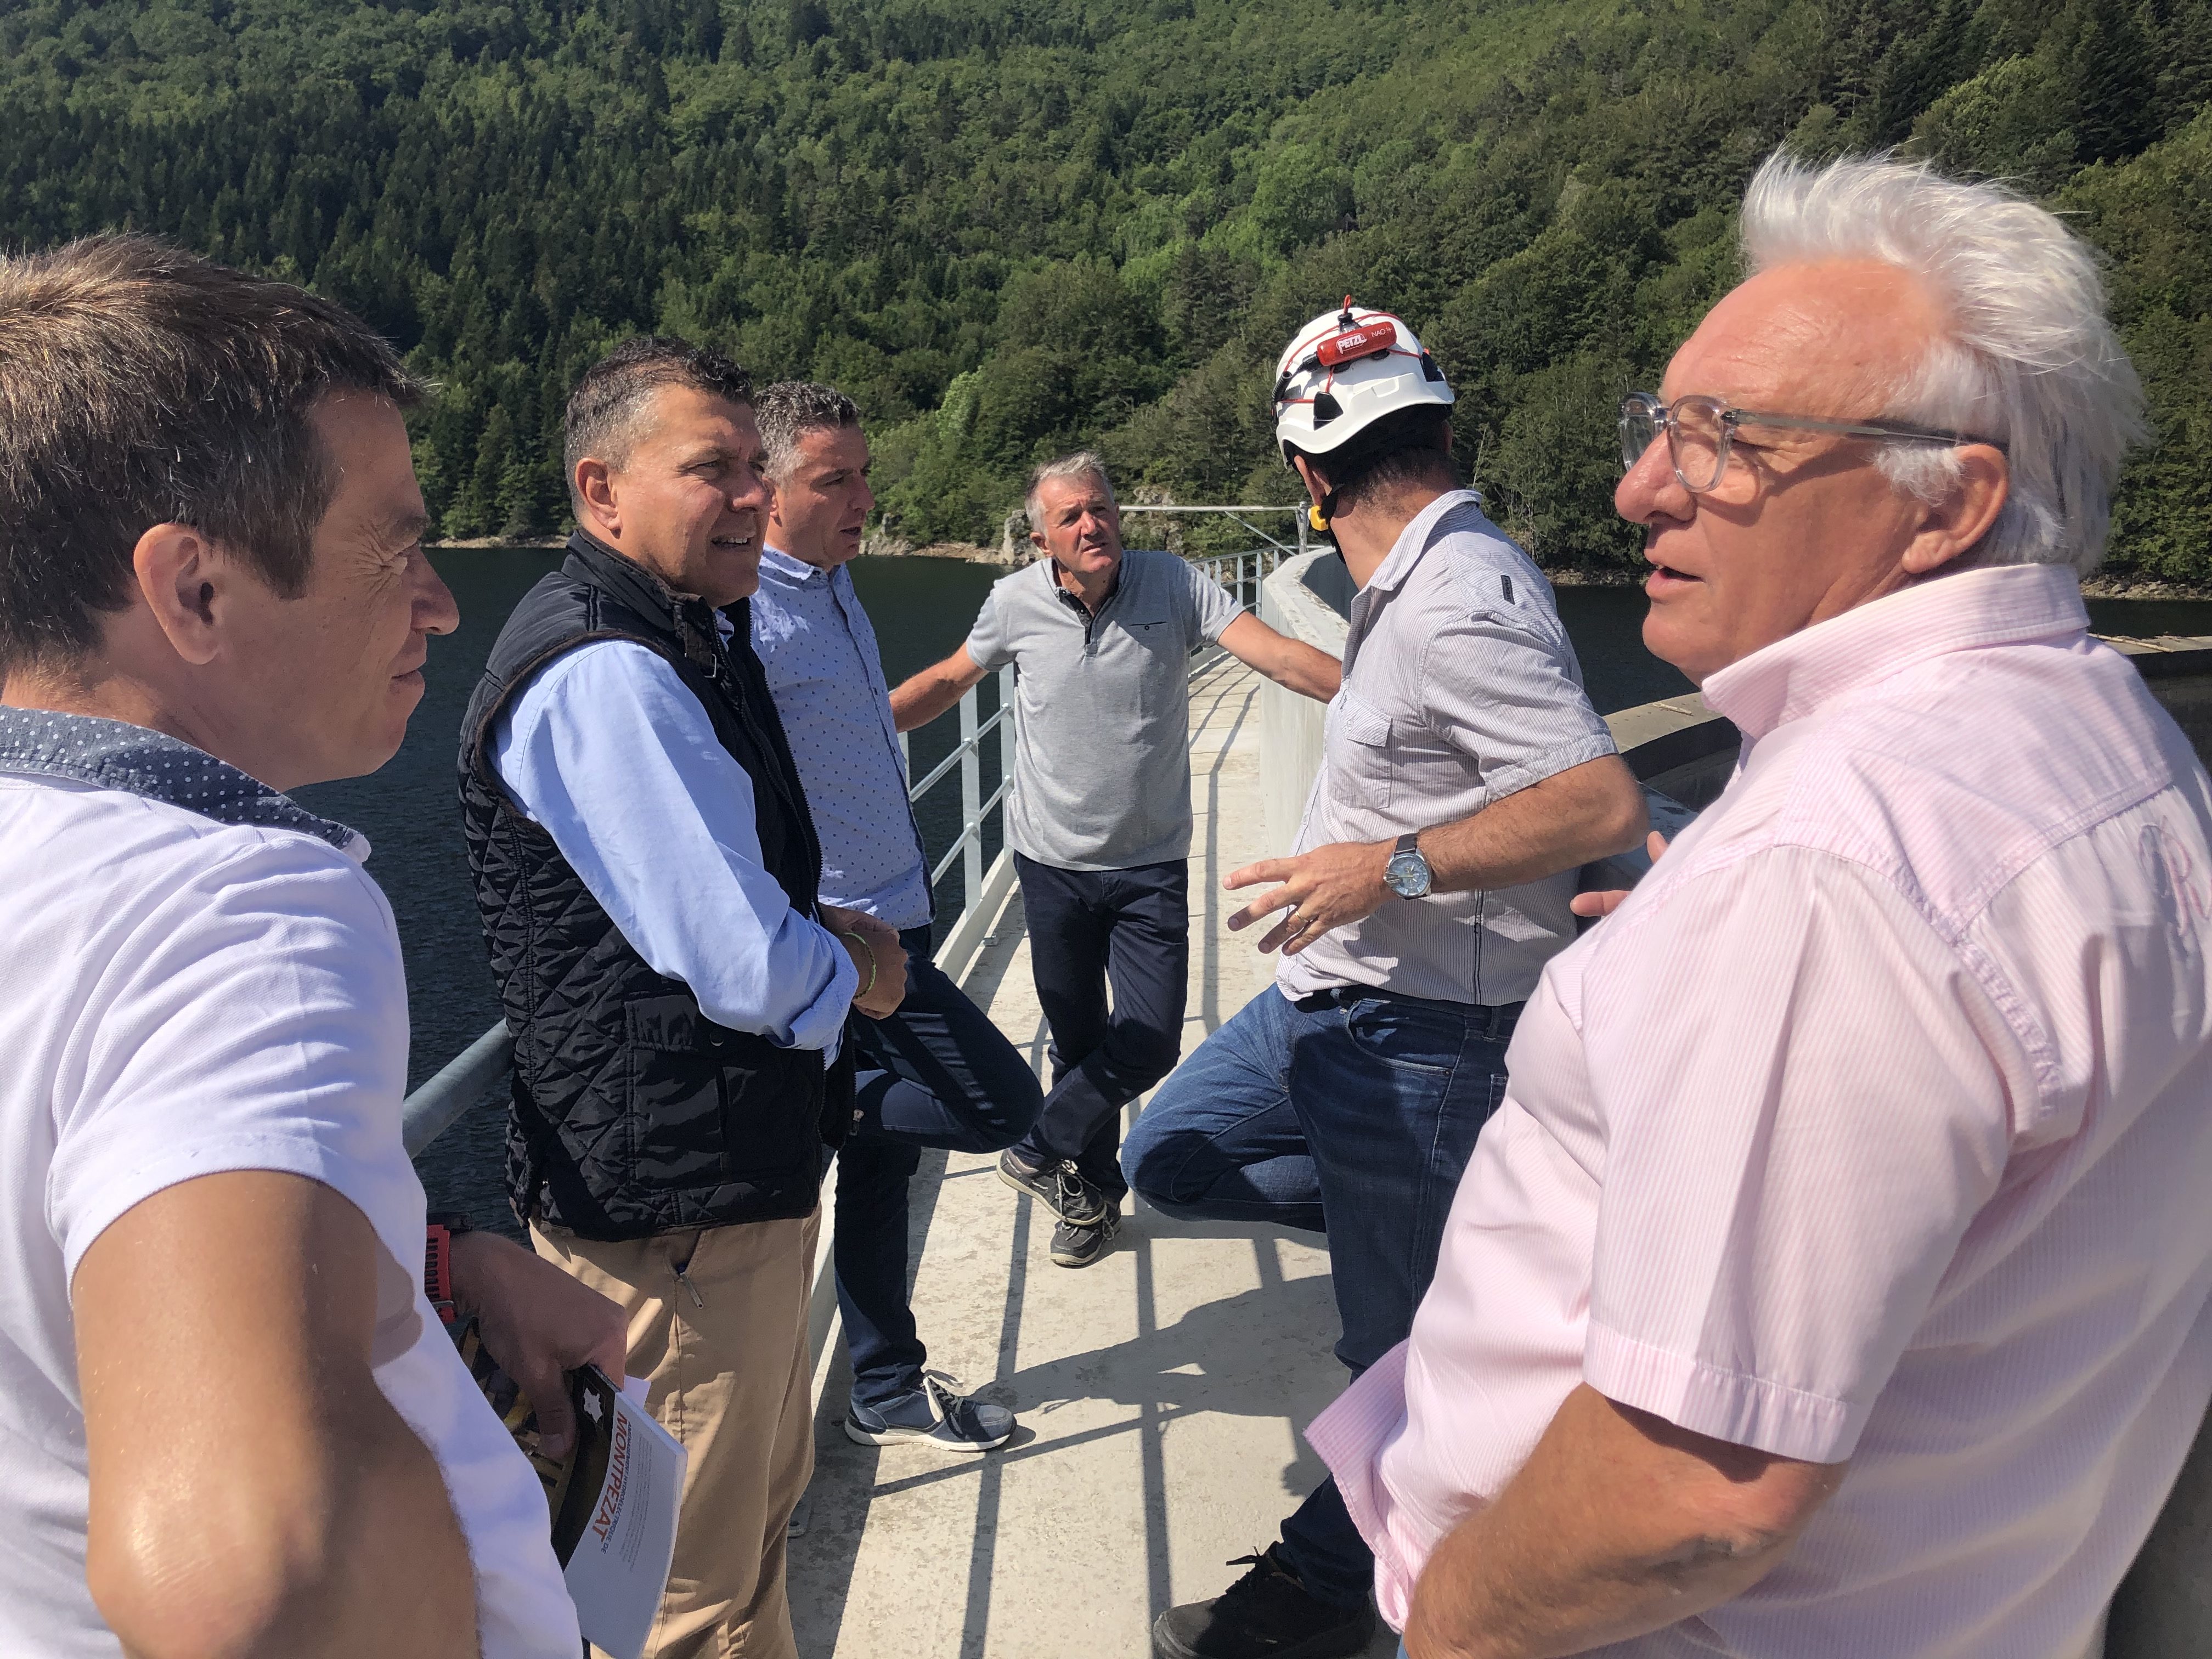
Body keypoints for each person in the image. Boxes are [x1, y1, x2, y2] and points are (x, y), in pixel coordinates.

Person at [1308, 152, 2212, 1659]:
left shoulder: (1828, 871)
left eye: (1727, 441)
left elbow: (1699, 1489)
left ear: (1947, 505)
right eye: (1659, 427)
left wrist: (1450, 1623)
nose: (1640, 487)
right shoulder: (2110, 742)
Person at [0, 234, 627, 1659]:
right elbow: (249, 1574)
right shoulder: (227, 908)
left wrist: (425, 1264)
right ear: (195, 591)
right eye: (395, 547)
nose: (440, 602)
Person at [1124, 302, 1649, 1659]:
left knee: (1408, 1361)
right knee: (1171, 1156)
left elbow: (1594, 800)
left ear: (1305, 473)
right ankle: (1447, 1248)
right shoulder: (1407, 584)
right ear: (1441, 428)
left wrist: (1388, 871)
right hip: (1329, 1008)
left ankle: (1329, 1594)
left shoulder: (1462, 595)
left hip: (1423, 1034)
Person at [459, 338, 907, 1659]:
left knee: (753, 1523)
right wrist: (863, 969)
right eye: (712, 470)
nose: (756, 499)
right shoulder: (609, 672)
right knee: (683, 1596)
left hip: (714, 1191)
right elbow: (746, 964)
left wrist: (808, 931)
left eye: (755, 471)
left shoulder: (673, 635)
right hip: (673, 1218)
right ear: (603, 492)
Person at [890, 453, 1341, 1269]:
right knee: (1077, 1041)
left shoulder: (1174, 584)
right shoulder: (1014, 603)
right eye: (1070, 517)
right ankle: (1093, 1200)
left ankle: (1035, 1148)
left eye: (1100, 508)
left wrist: (1375, 695)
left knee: (1147, 1042)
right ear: (1041, 540)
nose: (1091, 525)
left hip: (1150, 862)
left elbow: (1273, 655)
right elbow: (953, 680)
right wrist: (863, 729)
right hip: (1051, 862)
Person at [749, 380, 1043, 1452]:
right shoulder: (749, 616)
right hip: (855, 940)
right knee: (1007, 1109)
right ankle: (841, 1103)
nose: (864, 497)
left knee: (883, 1179)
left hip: (900, 914)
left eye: (866, 474)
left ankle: (884, 1386)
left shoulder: (833, 587)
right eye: (836, 480)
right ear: (766, 490)